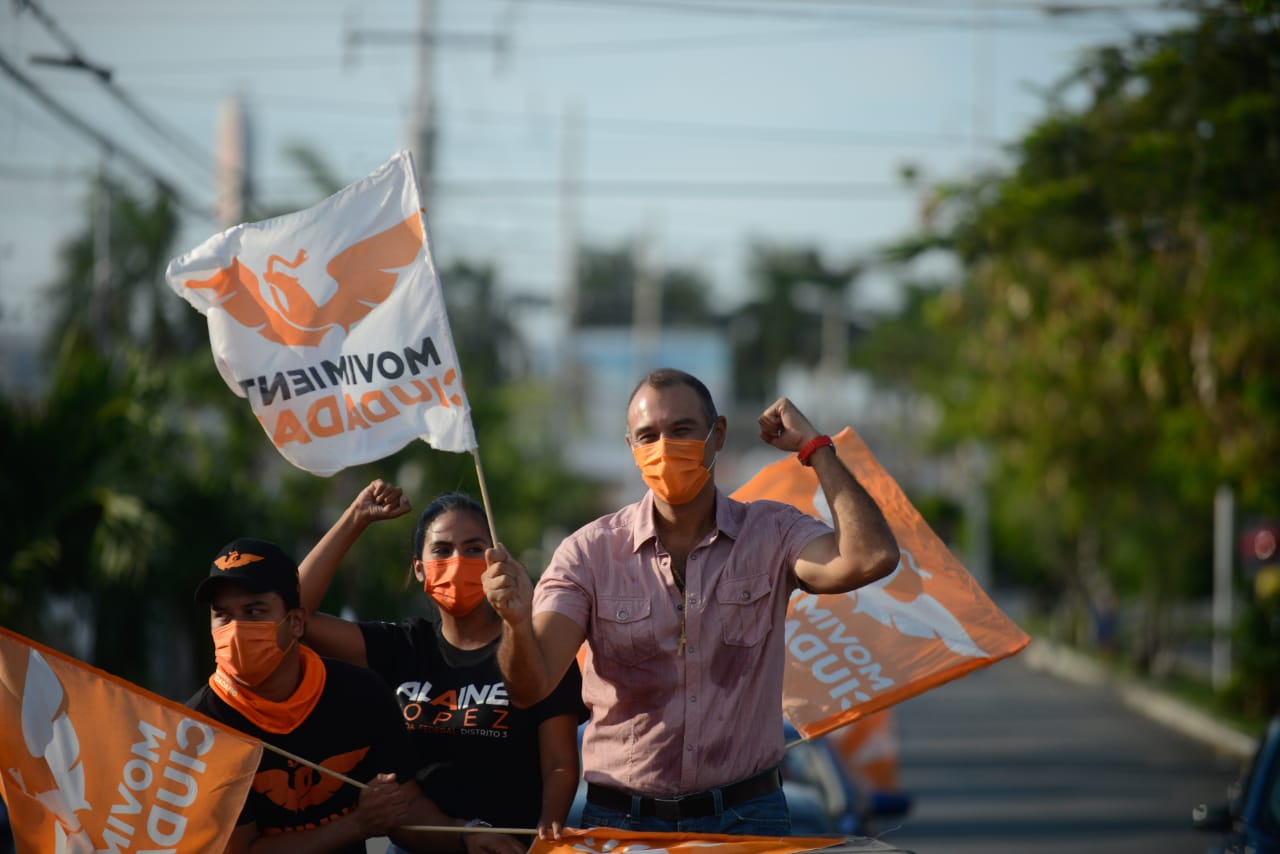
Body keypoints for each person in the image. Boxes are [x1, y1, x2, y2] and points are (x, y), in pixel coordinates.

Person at [482, 368, 901, 836]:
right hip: (622, 824)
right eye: (648, 436)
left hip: (749, 819)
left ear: (716, 434)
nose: (664, 448)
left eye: (681, 430)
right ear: (631, 449)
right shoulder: (587, 553)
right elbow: (531, 686)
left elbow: (872, 557)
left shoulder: (773, 532)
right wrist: (516, 623)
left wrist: (816, 448)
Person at [186, 537, 524, 854]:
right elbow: (238, 850)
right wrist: (356, 825)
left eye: (254, 612)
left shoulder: (359, 693)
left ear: (297, 623)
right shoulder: (200, 727)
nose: (236, 629)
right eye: (223, 615)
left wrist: (466, 834)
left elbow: (404, 809)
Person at [297, 485, 586, 844]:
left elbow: (559, 764)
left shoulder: (533, 649)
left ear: (495, 561)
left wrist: (545, 837)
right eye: (442, 550)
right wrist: (355, 518)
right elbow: (295, 619)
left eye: (474, 549)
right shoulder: (400, 646)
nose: (457, 561)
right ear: (419, 569)